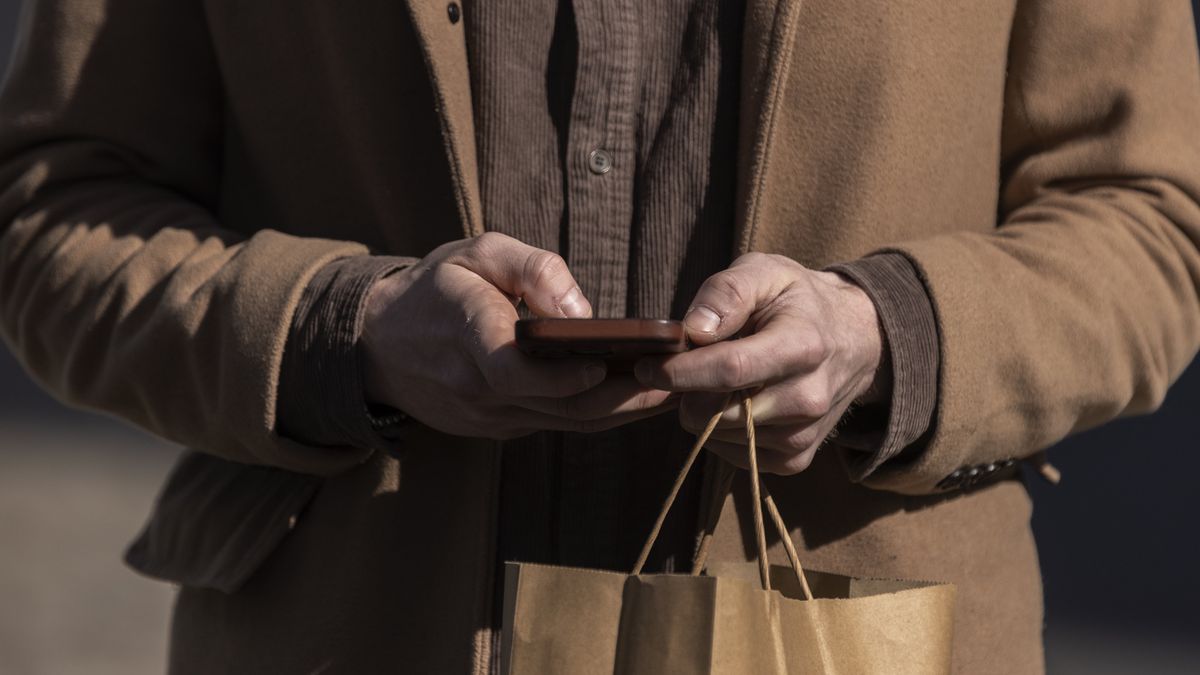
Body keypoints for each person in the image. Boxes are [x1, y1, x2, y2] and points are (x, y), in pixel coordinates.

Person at [1, 0, 1197, 673]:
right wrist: (344, 331)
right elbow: (53, 212)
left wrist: (890, 335)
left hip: (863, 634)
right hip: (352, 628)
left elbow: (1151, 224)